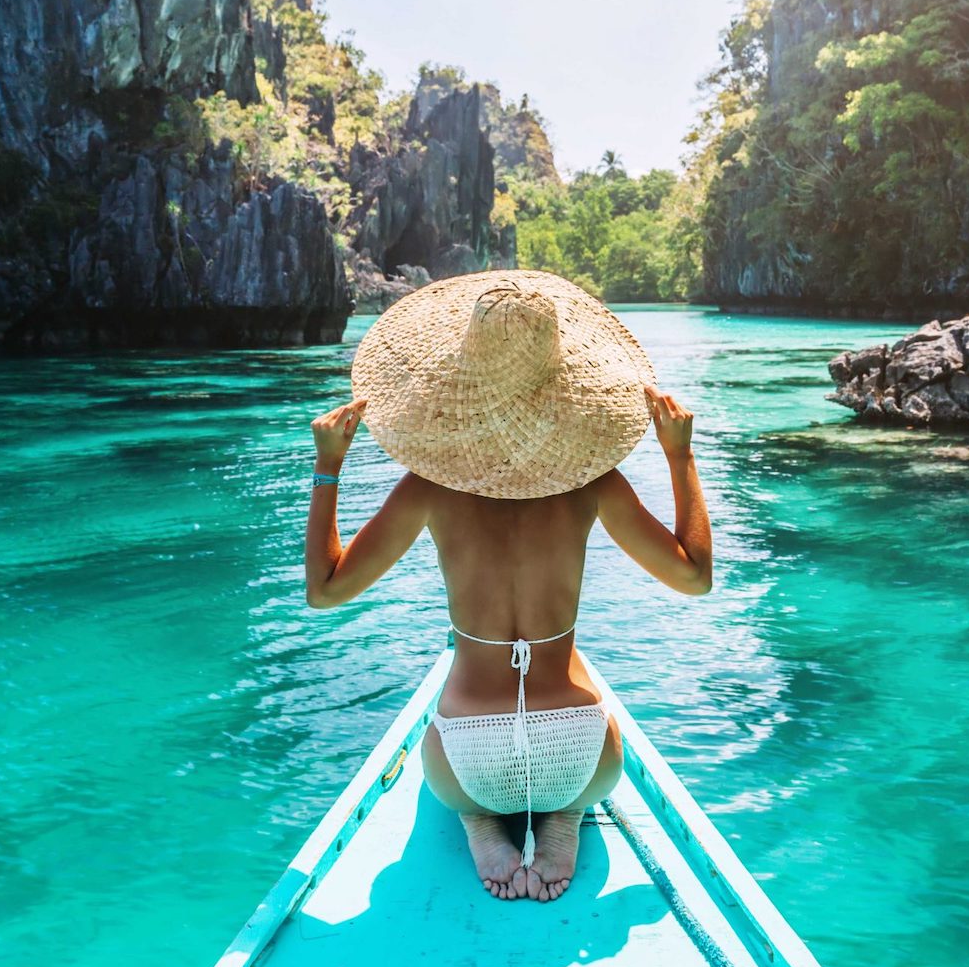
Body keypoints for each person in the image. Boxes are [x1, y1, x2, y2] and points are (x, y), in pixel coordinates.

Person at [304, 270, 712, 904]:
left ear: (458, 386)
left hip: (467, 763)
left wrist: (329, 466)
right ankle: (566, 814)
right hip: (584, 756)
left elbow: (325, 591)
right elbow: (694, 576)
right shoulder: (593, 484)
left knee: (456, 768)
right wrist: (679, 456)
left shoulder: (428, 490)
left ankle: (480, 819)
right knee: (577, 702)